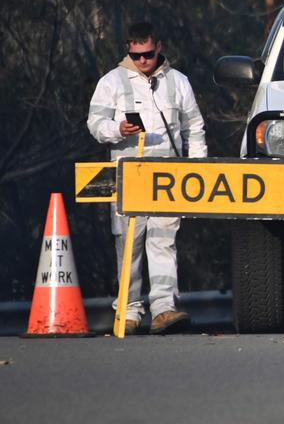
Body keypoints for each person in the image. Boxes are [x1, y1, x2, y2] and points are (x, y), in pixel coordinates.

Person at [86, 22, 207, 335]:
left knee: (163, 241)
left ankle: (164, 309)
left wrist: (198, 170)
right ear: (128, 49)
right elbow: (95, 123)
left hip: (167, 177)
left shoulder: (178, 82)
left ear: (160, 47)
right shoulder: (111, 82)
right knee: (128, 244)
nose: (142, 61)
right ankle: (128, 311)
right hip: (128, 176)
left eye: (148, 54)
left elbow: (194, 128)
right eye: (136, 55)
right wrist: (117, 130)